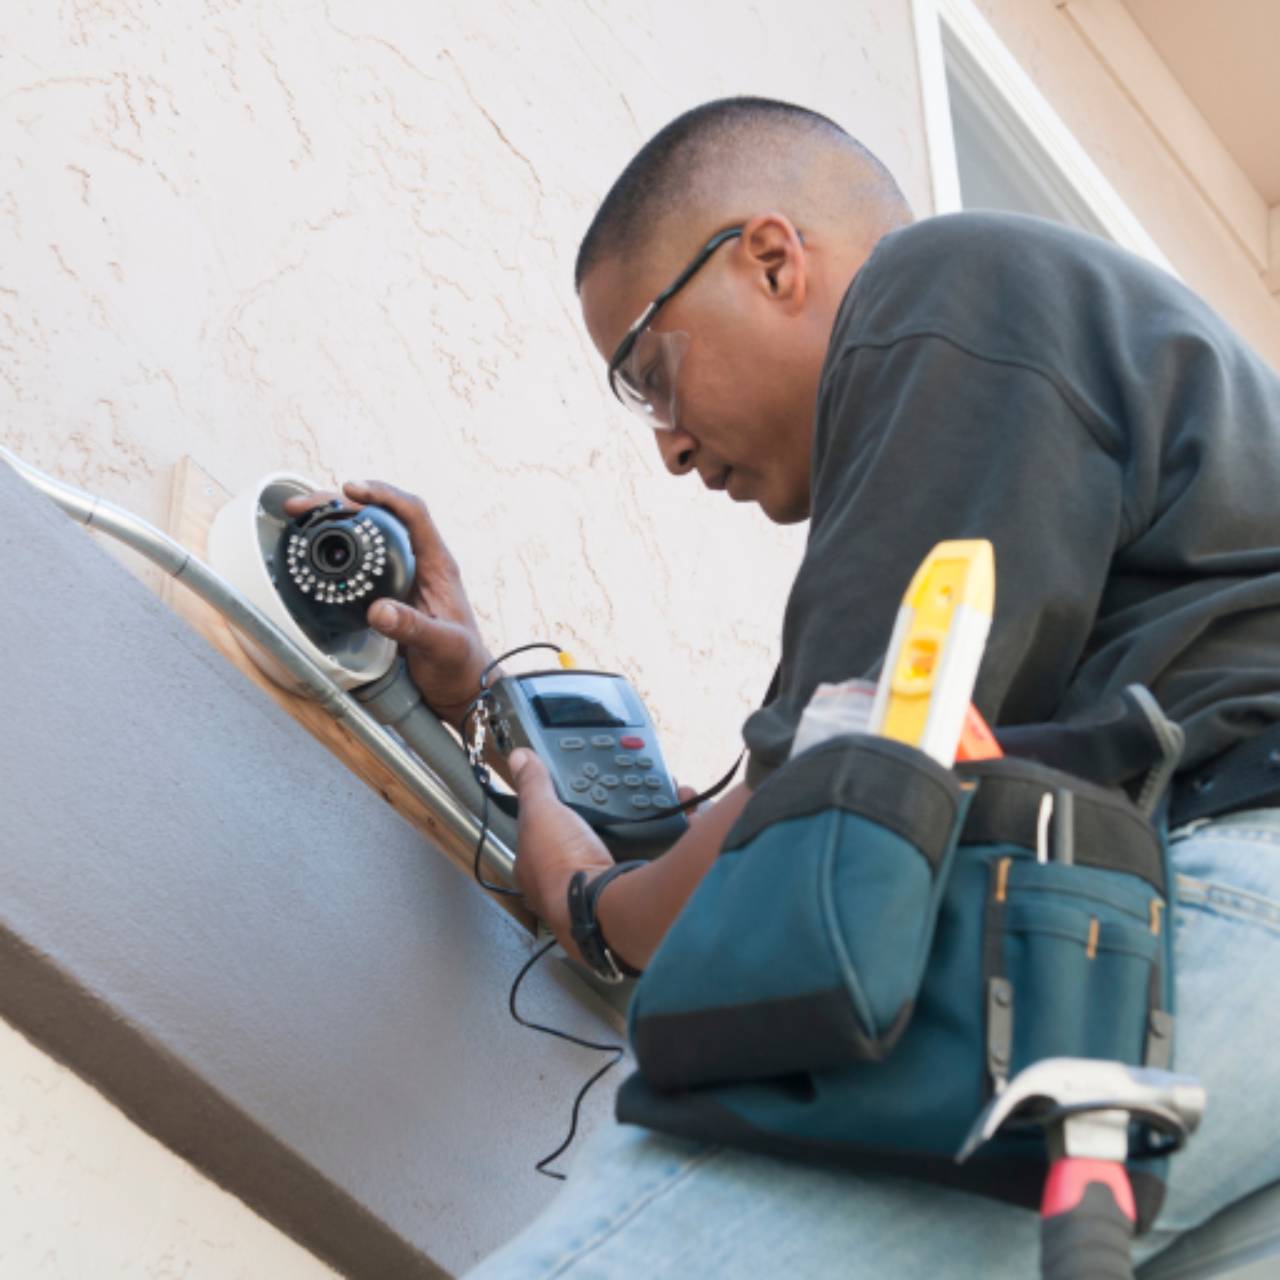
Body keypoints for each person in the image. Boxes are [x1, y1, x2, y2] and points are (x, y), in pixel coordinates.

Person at [298, 98, 1280, 1276]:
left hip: (1222, 886)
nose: (665, 443)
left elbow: (826, 804)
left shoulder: (942, 287)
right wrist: (479, 706)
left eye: (649, 372)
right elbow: (791, 802)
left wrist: (589, 904)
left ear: (770, 260)